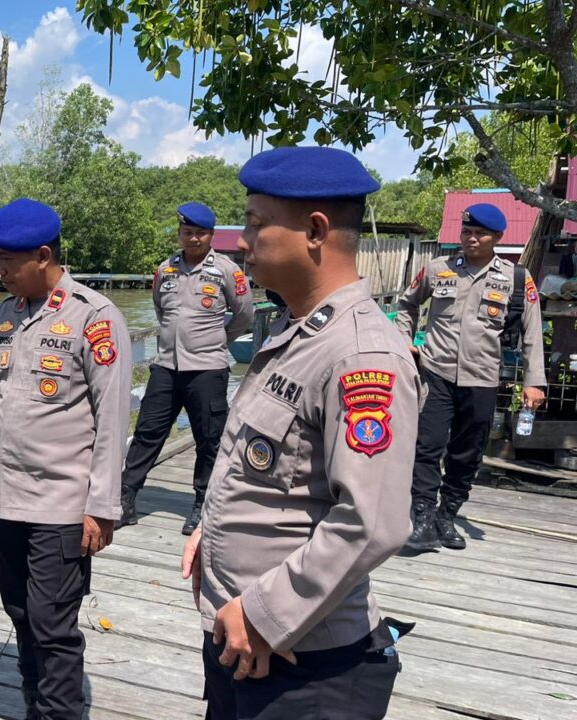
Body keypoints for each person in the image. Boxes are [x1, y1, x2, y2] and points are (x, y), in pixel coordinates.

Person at [181, 146, 419, 720]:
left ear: (315, 231)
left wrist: (264, 614)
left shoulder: (362, 355)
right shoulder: (295, 332)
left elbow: (371, 523)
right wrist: (211, 533)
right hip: (243, 638)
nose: (240, 241)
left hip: (304, 666)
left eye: (258, 224)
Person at [0, 198, 131, 720]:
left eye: (8, 261)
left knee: (53, 623)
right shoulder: (4, 317)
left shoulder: (94, 318)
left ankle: (59, 712)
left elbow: (112, 419)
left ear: (44, 255)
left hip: (62, 504)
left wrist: (102, 506)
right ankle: (36, 701)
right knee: (19, 609)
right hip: (10, 501)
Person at [396, 204, 546, 552]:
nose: (472, 239)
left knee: (466, 454)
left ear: (497, 238)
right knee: (427, 446)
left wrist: (534, 380)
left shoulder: (516, 279)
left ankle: (446, 516)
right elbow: (406, 305)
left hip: (482, 378)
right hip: (436, 372)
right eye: (466, 232)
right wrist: (405, 341)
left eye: (480, 234)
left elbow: (532, 331)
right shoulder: (438, 269)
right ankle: (421, 516)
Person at [119, 202, 254, 533]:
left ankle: (201, 503)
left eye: (200, 233)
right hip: (166, 366)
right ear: (179, 233)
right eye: (188, 232)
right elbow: (160, 310)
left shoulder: (226, 271)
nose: (193, 239)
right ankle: (125, 498)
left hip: (207, 368)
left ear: (211, 236)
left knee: (208, 438)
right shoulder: (165, 270)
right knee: (148, 433)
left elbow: (245, 315)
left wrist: (216, 340)